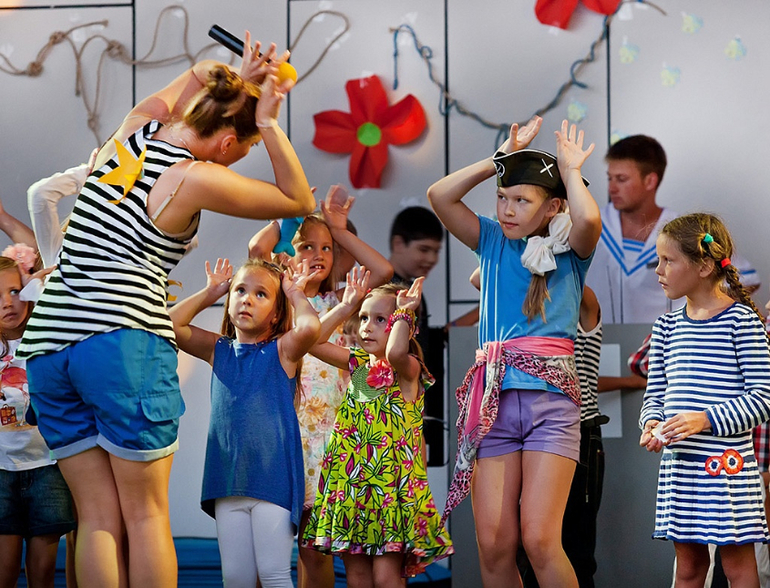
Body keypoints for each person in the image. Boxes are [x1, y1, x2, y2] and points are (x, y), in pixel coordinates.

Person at [17, 34, 316, 588]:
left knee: (97, 517)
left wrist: (244, 78)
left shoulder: (129, 134)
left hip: (49, 347)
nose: (238, 158)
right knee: (145, 515)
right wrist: (270, 121)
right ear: (227, 142)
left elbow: (202, 72)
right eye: (243, 149)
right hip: (120, 341)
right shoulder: (193, 176)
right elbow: (299, 200)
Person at [427, 115, 601, 588]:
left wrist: (570, 171)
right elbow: (439, 196)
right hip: (493, 403)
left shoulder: (571, 250)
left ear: (553, 206)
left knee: (540, 541)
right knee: (493, 544)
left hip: (551, 405)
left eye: (521, 201)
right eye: (502, 197)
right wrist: (499, 160)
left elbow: (588, 219)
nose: (507, 209)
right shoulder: (490, 240)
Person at [249, 184, 393, 588]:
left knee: (316, 549)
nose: (318, 255)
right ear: (287, 253)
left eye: (327, 248)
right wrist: (285, 218)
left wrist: (340, 229)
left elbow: (382, 272)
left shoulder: (343, 303)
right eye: (307, 246)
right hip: (286, 435)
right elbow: (257, 249)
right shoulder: (277, 306)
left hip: (332, 439)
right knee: (274, 547)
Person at [169, 257, 322, 587]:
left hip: (272, 481)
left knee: (273, 573)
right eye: (239, 290)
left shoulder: (282, 350)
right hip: (228, 483)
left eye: (260, 294)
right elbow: (171, 325)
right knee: (236, 578)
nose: (247, 299)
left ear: (277, 313)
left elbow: (311, 328)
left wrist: (294, 293)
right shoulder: (218, 349)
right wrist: (210, 293)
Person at [639, 213, 770, 588]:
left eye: (668, 260)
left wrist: (704, 419)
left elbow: (763, 398)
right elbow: (656, 393)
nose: (659, 270)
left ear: (704, 266)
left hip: (728, 470)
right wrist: (651, 423)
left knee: (738, 568)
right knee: (689, 568)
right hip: (681, 468)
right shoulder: (665, 326)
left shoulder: (741, 321)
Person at [301, 278, 453, 585]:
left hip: (389, 495)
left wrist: (404, 313)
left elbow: (395, 353)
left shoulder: (408, 369)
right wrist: (346, 306)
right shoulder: (357, 364)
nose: (367, 327)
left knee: (386, 578)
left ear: (404, 326)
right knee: (357, 578)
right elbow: (312, 343)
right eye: (364, 318)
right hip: (351, 490)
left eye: (380, 319)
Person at [586, 135, 759, 324]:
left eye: (621, 179)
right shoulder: (590, 223)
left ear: (650, 181)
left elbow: (747, 277)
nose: (612, 188)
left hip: (669, 336)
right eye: (610, 178)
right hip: (603, 339)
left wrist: (698, 308)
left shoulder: (680, 233)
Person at [0, 253, 76, 588]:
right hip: (1, 469)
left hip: (48, 466)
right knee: (4, 570)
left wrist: (44, 286)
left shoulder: (46, 335)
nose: (8, 302)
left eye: (15, 291)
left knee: (43, 572)